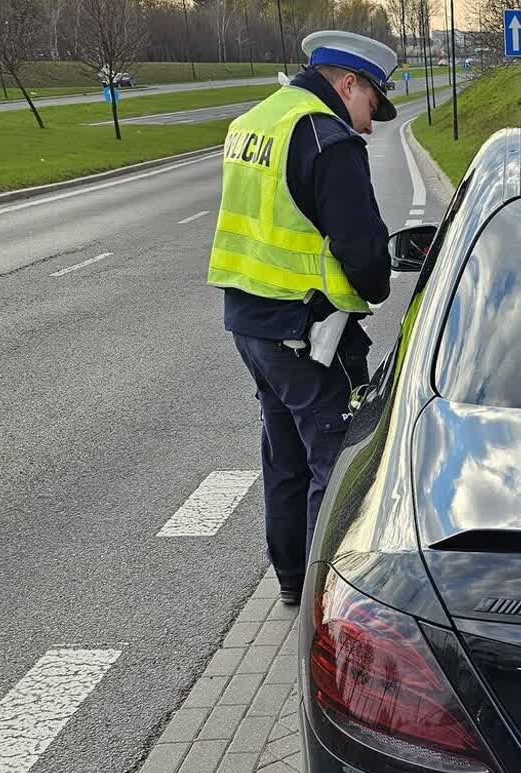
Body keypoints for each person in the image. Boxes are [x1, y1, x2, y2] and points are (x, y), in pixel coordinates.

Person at [207, 30, 397, 606]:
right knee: (333, 467)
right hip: (311, 333)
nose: (368, 123)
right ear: (348, 83)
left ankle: (291, 579)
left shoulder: (257, 121)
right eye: (371, 105)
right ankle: (326, 598)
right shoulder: (326, 135)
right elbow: (362, 251)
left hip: (252, 324)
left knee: (284, 460)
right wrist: (378, 285)